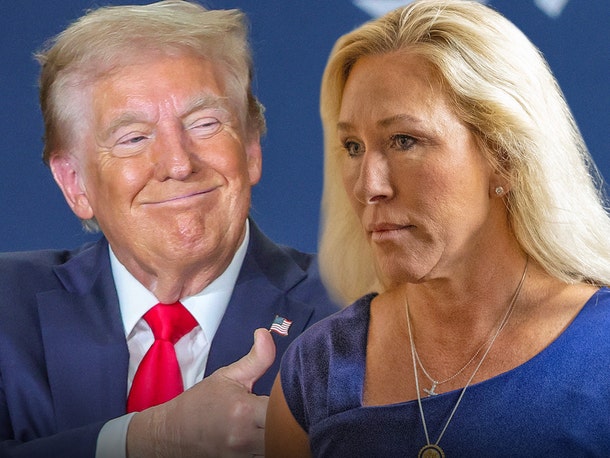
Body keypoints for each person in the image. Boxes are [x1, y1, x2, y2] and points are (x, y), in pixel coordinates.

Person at [265, 0, 610, 456]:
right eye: (353, 146)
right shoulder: (314, 371)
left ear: (504, 156)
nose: (369, 186)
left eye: (404, 140)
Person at [0, 1, 339, 457]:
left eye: (205, 124)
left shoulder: (353, 314)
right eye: (134, 138)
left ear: (251, 148)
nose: (178, 164)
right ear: (74, 182)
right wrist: (145, 439)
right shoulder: (8, 309)